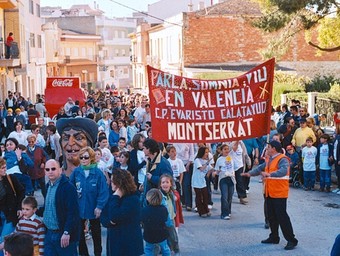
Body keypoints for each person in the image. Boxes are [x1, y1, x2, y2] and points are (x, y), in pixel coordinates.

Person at [242, 140, 298, 250]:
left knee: (282, 217)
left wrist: (269, 174)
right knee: (271, 216)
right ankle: (274, 237)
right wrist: (249, 173)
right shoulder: (269, 159)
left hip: (279, 193)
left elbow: (283, 171)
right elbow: (260, 168)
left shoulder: (282, 159)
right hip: (269, 192)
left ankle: (291, 240)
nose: (266, 149)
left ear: (274, 148)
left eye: (268, 147)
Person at [69, 147, 109, 256]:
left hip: (94, 207)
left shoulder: (98, 173)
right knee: (80, 235)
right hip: (79, 207)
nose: (83, 159)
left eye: (86, 157)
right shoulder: (77, 172)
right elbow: (70, 188)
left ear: (91, 158)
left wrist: (99, 207)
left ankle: (98, 253)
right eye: (81, 157)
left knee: (96, 233)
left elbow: (103, 191)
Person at [100, 169, 143, 256]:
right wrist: (110, 221)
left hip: (128, 243)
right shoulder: (112, 196)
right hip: (115, 240)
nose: (111, 183)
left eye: (113, 181)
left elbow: (114, 216)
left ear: (119, 183)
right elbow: (104, 216)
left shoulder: (133, 199)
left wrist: (116, 197)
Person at [41, 159, 80, 255]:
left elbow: (73, 212)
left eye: (53, 169)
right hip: (49, 234)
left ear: (60, 170)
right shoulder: (47, 186)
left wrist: (67, 232)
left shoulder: (68, 188)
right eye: (47, 169)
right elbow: (48, 207)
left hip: (63, 234)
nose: (50, 171)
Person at [0, 157, 25, 256]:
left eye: (5, 167)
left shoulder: (11, 178)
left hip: (10, 216)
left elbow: (21, 191)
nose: (5, 169)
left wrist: (20, 207)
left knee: (3, 241)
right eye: (2, 168)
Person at [141, 138, 173, 206]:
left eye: (144, 148)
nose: (143, 150)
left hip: (159, 200)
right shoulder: (149, 161)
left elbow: (168, 180)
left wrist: (152, 178)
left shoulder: (164, 163)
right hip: (150, 197)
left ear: (149, 149)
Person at [141, 188, 171, 256]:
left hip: (149, 234)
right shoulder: (163, 209)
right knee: (165, 249)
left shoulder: (144, 210)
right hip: (162, 234)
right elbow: (168, 222)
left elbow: (142, 221)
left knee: (148, 249)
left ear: (148, 199)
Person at [159, 174, 182, 255]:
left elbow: (176, 196)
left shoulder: (172, 193)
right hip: (161, 219)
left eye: (167, 182)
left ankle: (176, 250)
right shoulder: (159, 195)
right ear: (160, 184)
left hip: (171, 218)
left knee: (173, 237)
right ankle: (165, 250)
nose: (165, 184)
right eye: (163, 182)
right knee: (162, 237)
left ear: (171, 184)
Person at [214, 143, 237, 220]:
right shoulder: (219, 159)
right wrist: (215, 173)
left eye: (227, 149)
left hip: (231, 178)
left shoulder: (231, 157)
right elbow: (217, 170)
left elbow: (235, 146)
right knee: (224, 196)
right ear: (221, 151)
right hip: (223, 178)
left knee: (229, 196)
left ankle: (228, 210)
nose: (227, 150)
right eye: (225, 149)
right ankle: (224, 213)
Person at [192, 146, 213, 218]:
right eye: (206, 152)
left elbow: (211, 168)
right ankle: (201, 211)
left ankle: (206, 209)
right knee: (199, 196)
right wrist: (207, 163)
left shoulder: (206, 161)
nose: (207, 154)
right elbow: (201, 168)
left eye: (208, 152)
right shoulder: (197, 160)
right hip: (196, 180)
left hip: (202, 180)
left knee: (205, 195)